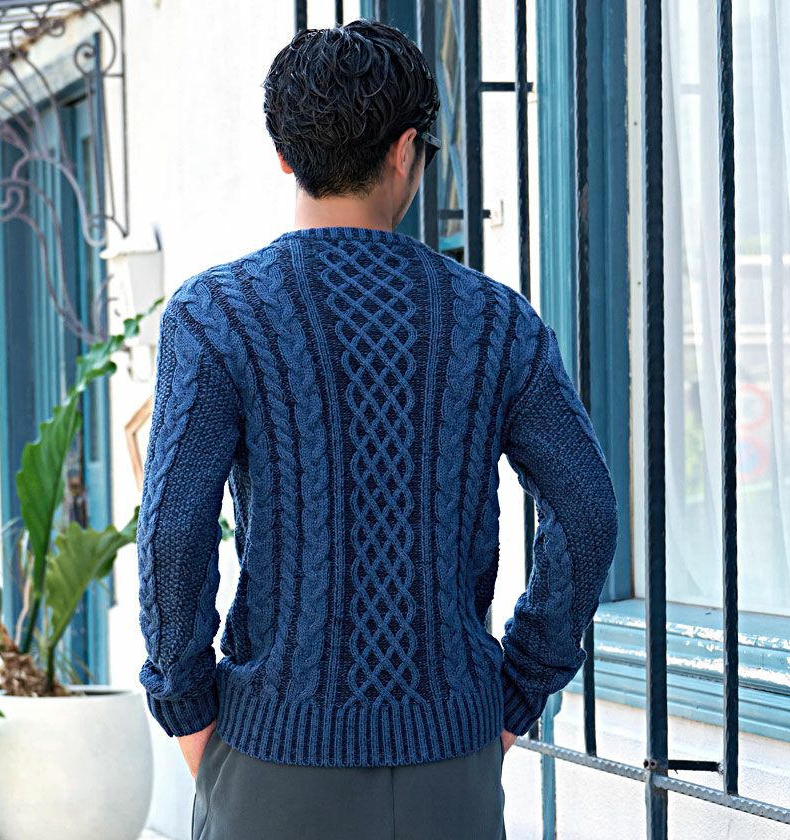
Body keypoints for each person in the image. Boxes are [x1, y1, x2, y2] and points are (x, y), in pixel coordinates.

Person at [135, 18, 619, 840]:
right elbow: (588, 510)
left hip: (270, 760)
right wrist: (517, 692)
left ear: (283, 154)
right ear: (404, 152)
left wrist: (188, 714)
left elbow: (174, 531)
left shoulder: (216, 314)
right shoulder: (496, 321)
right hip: (451, 763)